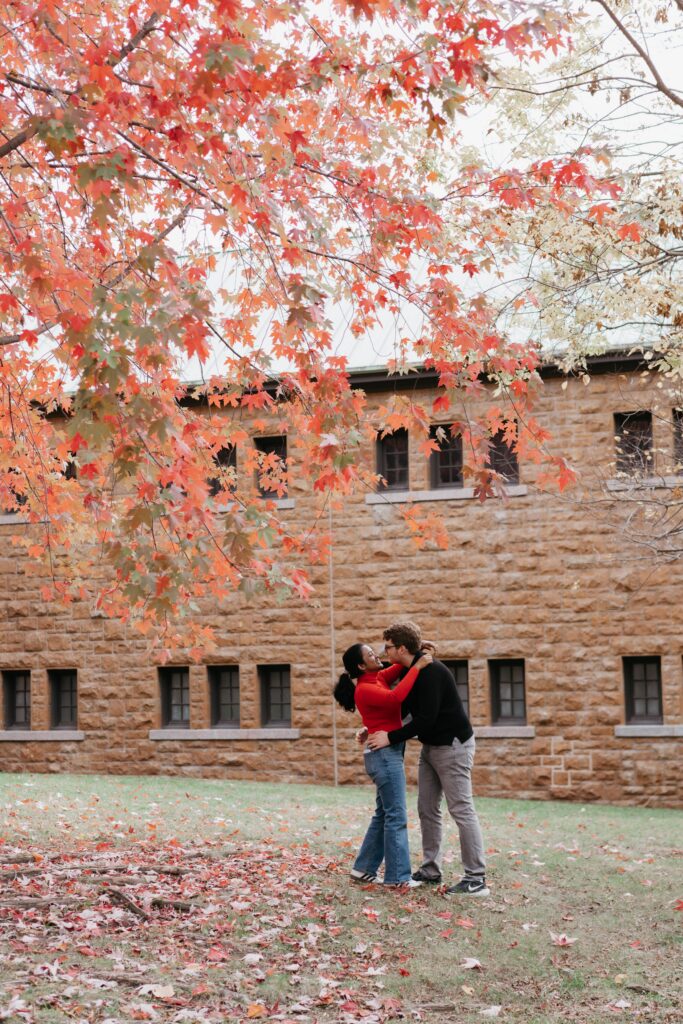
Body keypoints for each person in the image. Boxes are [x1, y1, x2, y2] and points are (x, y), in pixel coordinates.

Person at [367, 622, 489, 896]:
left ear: (401, 648)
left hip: (453, 746)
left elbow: (425, 719)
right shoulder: (411, 670)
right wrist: (372, 727)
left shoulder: (432, 672)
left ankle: (476, 879)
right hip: (431, 747)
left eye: (388, 647)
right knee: (426, 808)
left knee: (461, 809)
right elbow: (402, 708)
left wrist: (390, 737)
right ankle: (431, 870)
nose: (384, 652)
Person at [334, 642, 432, 887]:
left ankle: (363, 869)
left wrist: (415, 649)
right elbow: (395, 698)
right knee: (396, 815)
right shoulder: (364, 689)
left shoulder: (377, 677)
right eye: (370, 655)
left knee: (384, 814)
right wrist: (418, 667)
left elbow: (398, 666)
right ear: (361, 665)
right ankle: (398, 878)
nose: (376, 656)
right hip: (384, 757)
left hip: (386, 754)